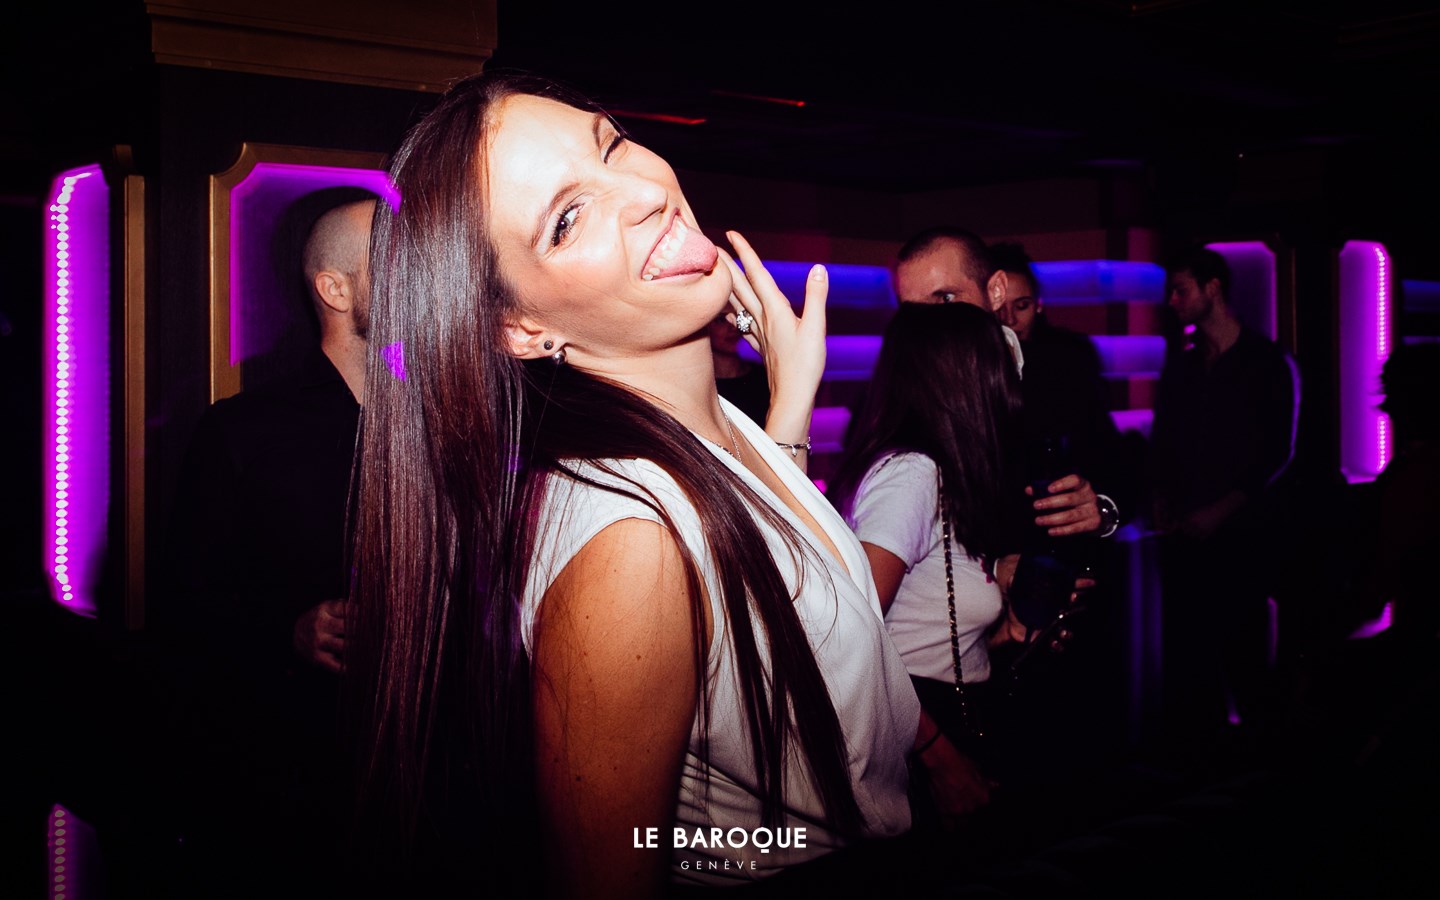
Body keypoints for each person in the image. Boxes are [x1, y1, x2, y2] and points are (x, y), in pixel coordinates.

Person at [344, 71, 933, 900]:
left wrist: (789, 405)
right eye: (567, 219)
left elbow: (768, 592)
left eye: (613, 145)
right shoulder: (630, 547)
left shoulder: (707, 437)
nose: (648, 192)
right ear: (522, 326)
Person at [159, 193, 376, 897]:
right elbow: (182, 607)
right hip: (290, 775)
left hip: (421, 773)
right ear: (335, 289)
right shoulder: (243, 430)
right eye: (395, 259)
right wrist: (288, 630)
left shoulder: (439, 419)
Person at [828, 303, 1096, 835]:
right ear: (965, 381)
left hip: (948, 718)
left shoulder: (943, 476)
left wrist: (1004, 632)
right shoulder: (912, 476)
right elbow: (844, 640)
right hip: (920, 740)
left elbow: (915, 635)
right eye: (998, 368)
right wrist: (940, 759)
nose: (1011, 390)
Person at [1147, 244, 1297, 752]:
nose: (1172, 301)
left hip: (1242, 536)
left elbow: (1276, 453)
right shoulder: (1185, 366)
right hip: (1186, 536)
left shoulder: (1266, 363)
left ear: (1213, 289)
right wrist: (1162, 497)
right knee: (1191, 657)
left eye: (1181, 290)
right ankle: (1203, 760)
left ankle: (1258, 759)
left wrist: (1220, 510)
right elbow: (1164, 442)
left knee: (1243, 649)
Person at [709, 308, 771, 423]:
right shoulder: (702, 386)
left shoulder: (764, 376)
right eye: (721, 320)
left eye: (737, 318)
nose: (733, 327)